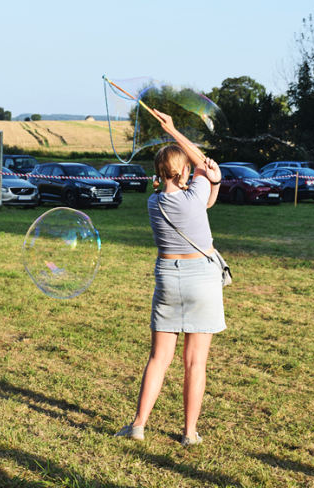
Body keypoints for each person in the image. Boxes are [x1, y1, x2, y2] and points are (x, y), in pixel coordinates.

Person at [115, 110, 225, 446]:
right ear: (185, 172)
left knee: (159, 359)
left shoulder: (153, 203)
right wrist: (174, 131)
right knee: (195, 363)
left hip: (168, 278)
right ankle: (189, 433)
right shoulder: (195, 194)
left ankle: (138, 425)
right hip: (202, 279)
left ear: (158, 174)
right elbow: (207, 167)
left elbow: (200, 180)